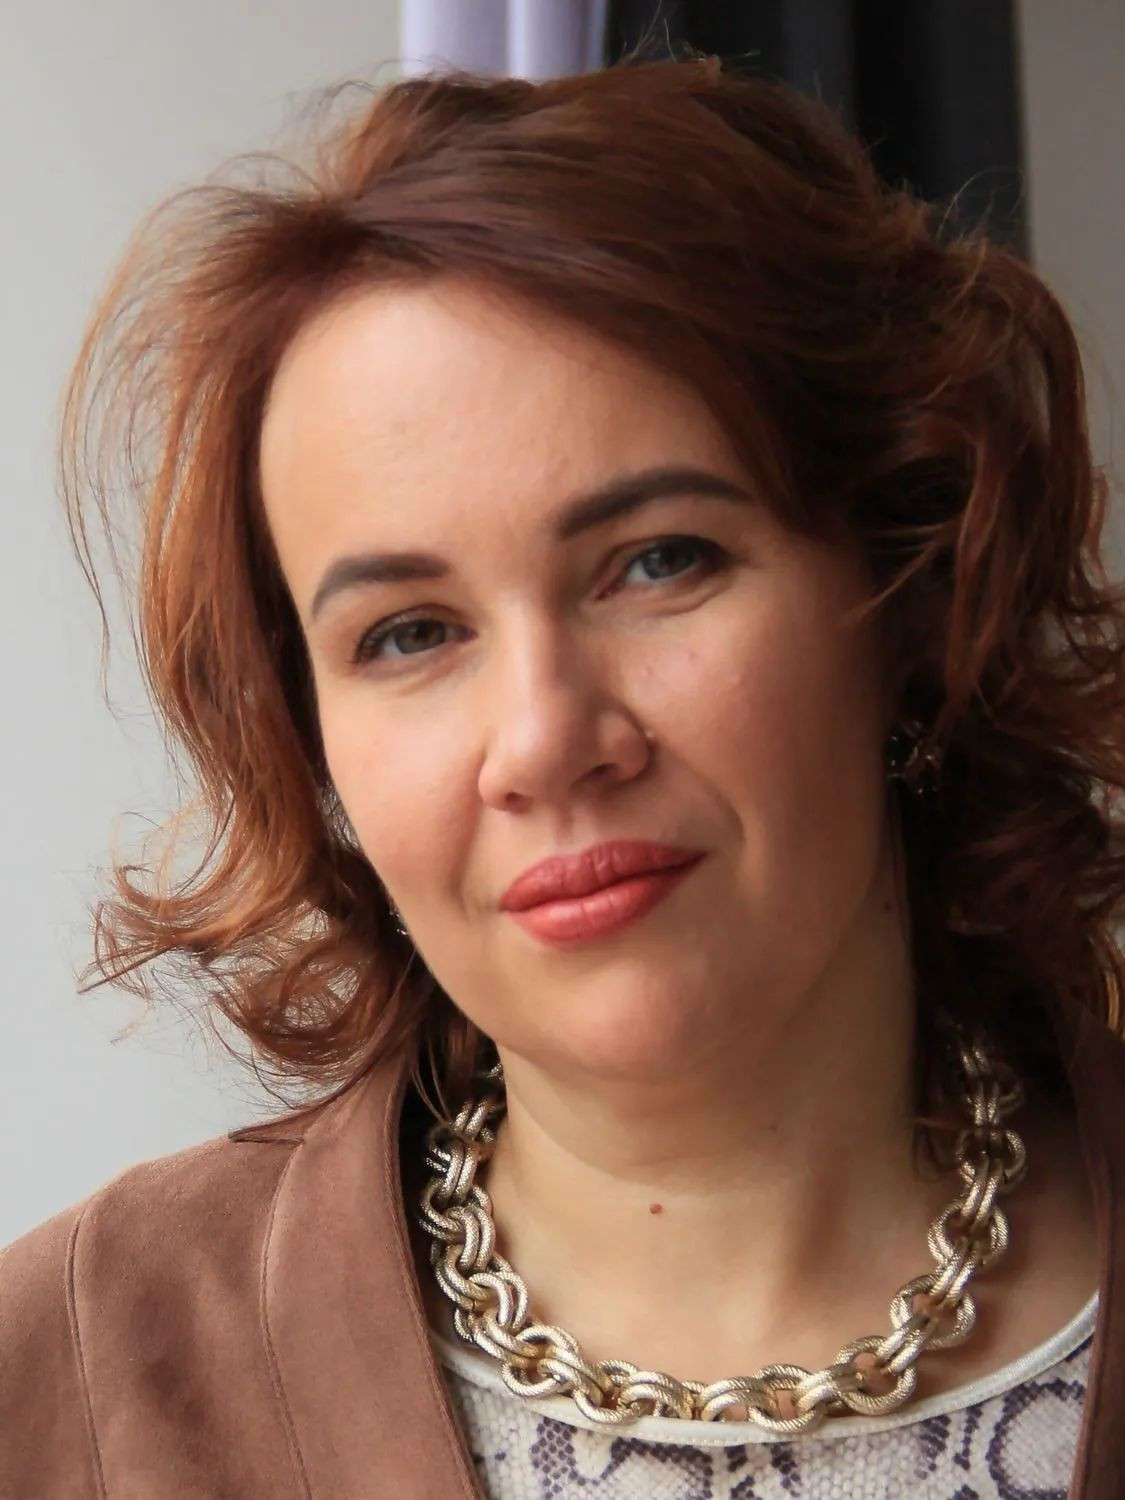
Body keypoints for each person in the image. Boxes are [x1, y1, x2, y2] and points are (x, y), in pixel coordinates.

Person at [2, 49, 1123, 1500]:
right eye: (410, 633)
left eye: (659, 561)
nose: (543, 740)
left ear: (909, 586)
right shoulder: (67, 1385)